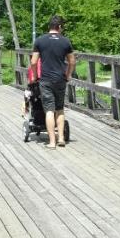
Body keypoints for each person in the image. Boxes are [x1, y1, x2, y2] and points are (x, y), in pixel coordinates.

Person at [30, 15, 75, 148]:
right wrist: (68, 75)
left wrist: (36, 75)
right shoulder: (65, 41)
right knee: (60, 109)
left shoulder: (39, 41)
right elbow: (72, 61)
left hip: (45, 80)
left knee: (49, 110)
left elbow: (33, 61)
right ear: (59, 27)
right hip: (60, 79)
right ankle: (61, 138)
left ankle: (52, 142)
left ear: (49, 27)